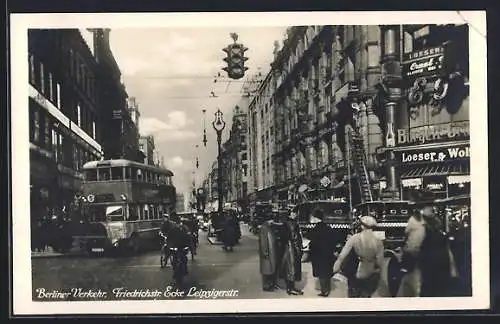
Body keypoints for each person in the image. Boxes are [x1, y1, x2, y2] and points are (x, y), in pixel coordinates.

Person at [333, 215, 384, 298]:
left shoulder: (354, 238)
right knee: (366, 297)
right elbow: (380, 262)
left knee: (354, 296)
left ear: (362, 226)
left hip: (355, 272)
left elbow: (342, 256)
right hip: (370, 273)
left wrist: (336, 267)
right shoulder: (378, 241)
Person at [418, 200, 458, 297]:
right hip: (442, 268)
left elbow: (419, 252)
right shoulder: (441, 236)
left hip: (430, 269)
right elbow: (448, 252)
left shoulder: (425, 235)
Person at [309, 209, 336, 297]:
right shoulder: (328, 228)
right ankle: (327, 289)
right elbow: (333, 241)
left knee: (321, 273)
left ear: (316, 218)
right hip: (328, 253)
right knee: (327, 272)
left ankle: (324, 291)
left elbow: (313, 242)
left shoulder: (315, 229)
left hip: (318, 254)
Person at [281, 208, 304, 295]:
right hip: (292, 249)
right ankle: (291, 289)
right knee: (292, 269)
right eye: (294, 213)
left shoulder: (285, 223)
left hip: (287, 248)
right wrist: (299, 249)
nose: (296, 214)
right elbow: (295, 238)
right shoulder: (292, 224)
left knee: (289, 269)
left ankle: (290, 288)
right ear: (290, 214)